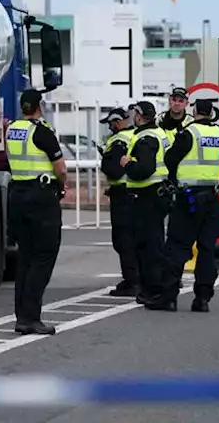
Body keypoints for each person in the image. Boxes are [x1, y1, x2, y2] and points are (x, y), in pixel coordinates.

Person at [148, 99, 219, 313]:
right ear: (211, 112)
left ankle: (169, 297)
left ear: (194, 112)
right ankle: (202, 299)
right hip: (212, 198)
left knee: (177, 247)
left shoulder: (188, 133)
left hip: (188, 197)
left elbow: (170, 160)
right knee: (207, 249)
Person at [4, 89, 68, 335]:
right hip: (41, 197)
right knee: (44, 256)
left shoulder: (12, 130)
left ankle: (22, 316)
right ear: (39, 106)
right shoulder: (42, 132)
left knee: (26, 258)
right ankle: (31, 317)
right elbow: (60, 169)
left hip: (18, 195)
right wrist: (63, 187)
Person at [121, 101, 175, 307]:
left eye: (134, 113)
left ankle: (156, 289)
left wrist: (128, 164)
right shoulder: (158, 133)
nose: (132, 116)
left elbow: (144, 169)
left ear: (140, 116)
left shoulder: (146, 137)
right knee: (153, 243)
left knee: (148, 246)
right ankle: (158, 288)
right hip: (156, 195)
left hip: (147, 196)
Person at [98, 106, 139, 297]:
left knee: (123, 239)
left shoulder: (118, 141)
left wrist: (105, 161)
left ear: (116, 122)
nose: (110, 128)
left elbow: (113, 169)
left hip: (122, 195)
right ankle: (136, 278)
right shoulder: (135, 135)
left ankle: (132, 280)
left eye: (110, 124)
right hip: (134, 192)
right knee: (135, 237)